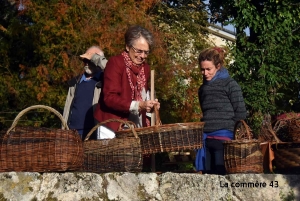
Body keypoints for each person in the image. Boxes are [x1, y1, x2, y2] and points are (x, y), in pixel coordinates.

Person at [94, 25, 160, 132]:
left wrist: (150, 105)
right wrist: (138, 105)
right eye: (139, 51)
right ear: (128, 47)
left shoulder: (146, 68)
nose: (142, 56)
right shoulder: (115, 63)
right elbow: (109, 98)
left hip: (135, 125)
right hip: (111, 124)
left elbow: (143, 97)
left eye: (146, 52)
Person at [195, 46, 247, 175]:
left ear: (218, 66)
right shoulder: (202, 89)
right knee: (207, 177)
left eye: (208, 69)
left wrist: (231, 131)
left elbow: (240, 112)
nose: (205, 73)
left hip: (224, 140)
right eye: (202, 69)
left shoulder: (230, 84)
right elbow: (205, 111)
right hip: (205, 140)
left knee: (222, 175)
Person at [63, 46, 108, 140]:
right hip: (72, 134)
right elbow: (67, 110)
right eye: (84, 61)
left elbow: (112, 69)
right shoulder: (75, 82)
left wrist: (96, 58)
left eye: (90, 60)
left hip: (94, 134)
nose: (87, 64)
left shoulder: (105, 81)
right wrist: (64, 130)